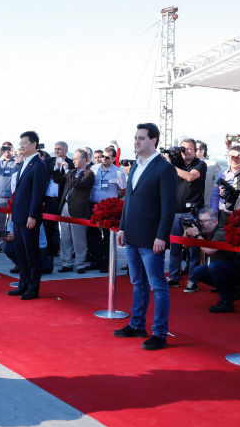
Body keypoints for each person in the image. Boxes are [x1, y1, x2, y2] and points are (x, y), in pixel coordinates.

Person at [114, 123, 177, 350]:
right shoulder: (135, 166)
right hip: (132, 235)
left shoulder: (164, 168)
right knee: (137, 282)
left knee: (158, 286)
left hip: (152, 239)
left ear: (154, 140)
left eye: (141, 138)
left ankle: (160, 333)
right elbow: (129, 200)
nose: (136, 141)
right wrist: (122, 228)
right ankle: (137, 324)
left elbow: (168, 207)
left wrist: (162, 236)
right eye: (135, 137)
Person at [7, 131, 50, 300]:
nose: (21, 145)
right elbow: (19, 192)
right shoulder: (23, 162)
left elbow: (38, 194)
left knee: (31, 253)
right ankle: (23, 284)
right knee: (21, 253)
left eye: (25, 142)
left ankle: (33, 288)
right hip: (18, 215)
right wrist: (13, 212)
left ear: (34, 144)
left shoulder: (39, 165)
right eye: (20, 143)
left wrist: (32, 215)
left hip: (29, 218)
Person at [183, 208, 240, 311]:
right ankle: (233, 292)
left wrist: (197, 235)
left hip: (239, 269)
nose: (200, 224)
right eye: (199, 221)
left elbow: (209, 250)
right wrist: (187, 231)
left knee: (214, 267)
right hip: (224, 268)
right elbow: (186, 245)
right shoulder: (205, 232)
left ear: (213, 221)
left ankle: (226, 301)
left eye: (203, 221)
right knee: (198, 271)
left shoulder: (221, 232)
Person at [167, 138, 206, 286]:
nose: (186, 151)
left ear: (195, 150)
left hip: (192, 212)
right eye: (183, 148)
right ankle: (174, 277)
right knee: (175, 247)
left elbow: (190, 177)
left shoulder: (200, 164)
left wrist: (171, 166)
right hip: (175, 211)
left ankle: (193, 279)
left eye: (189, 148)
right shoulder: (177, 163)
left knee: (193, 249)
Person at [56, 148, 95, 273]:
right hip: (65, 206)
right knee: (65, 237)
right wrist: (57, 168)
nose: (73, 161)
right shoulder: (72, 171)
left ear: (84, 160)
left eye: (76, 159)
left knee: (79, 238)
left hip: (78, 209)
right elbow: (58, 180)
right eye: (73, 159)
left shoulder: (88, 173)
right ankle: (67, 262)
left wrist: (67, 171)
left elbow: (78, 183)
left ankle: (80, 264)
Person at [88, 146, 127, 272]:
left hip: (108, 209)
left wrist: (113, 199)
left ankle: (106, 262)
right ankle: (96, 260)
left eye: (107, 157)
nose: (103, 159)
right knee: (94, 235)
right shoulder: (94, 168)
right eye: (102, 156)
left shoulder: (118, 172)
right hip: (93, 206)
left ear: (114, 158)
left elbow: (123, 191)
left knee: (108, 237)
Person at [45, 142, 71, 257]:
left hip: (63, 201)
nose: (57, 151)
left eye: (59, 149)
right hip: (50, 200)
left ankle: (67, 253)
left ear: (65, 150)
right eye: (55, 149)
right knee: (48, 227)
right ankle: (49, 251)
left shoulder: (71, 163)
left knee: (65, 229)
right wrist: (55, 167)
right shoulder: (48, 161)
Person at [0, 141, 19, 239]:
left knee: (14, 221)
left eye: (9, 148)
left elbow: (21, 166)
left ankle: (13, 240)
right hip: (0, 197)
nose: (7, 151)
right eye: (5, 148)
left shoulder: (16, 162)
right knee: (0, 223)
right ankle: (0, 242)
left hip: (13, 197)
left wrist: (15, 155)